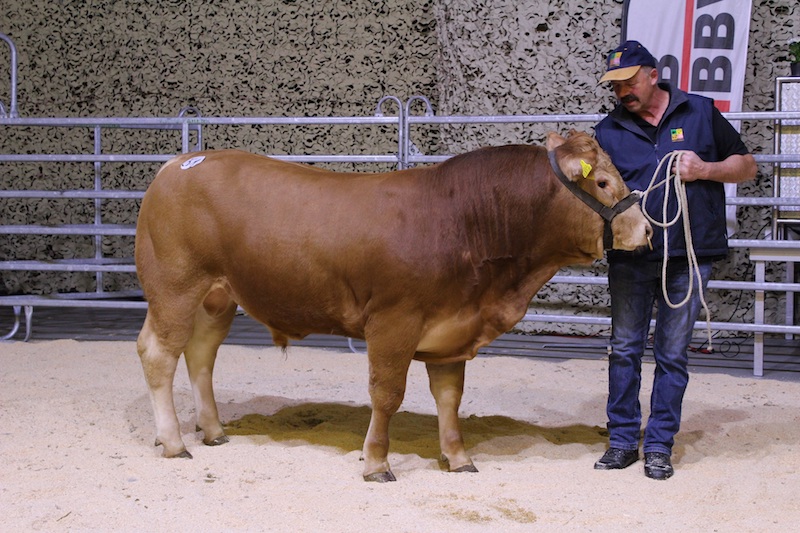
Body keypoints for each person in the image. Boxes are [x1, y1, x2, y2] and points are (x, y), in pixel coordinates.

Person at [592, 41, 757, 480]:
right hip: (631, 254)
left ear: (653, 74)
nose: (622, 92)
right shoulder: (607, 130)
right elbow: (594, 187)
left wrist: (705, 170)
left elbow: (747, 166)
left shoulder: (699, 111)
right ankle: (622, 441)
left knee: (672, 354)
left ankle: (659, 444)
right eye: (615, 86)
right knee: (624, 349)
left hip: (689, 252)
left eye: (629, 82)